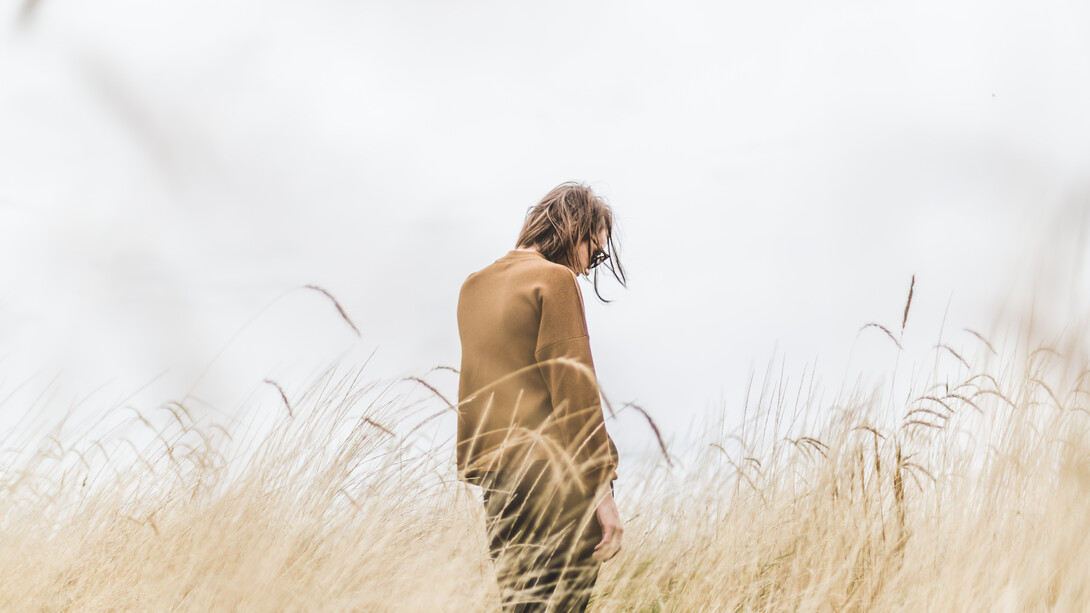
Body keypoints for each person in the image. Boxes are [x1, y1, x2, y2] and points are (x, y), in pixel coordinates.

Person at [456, 182, 626, 612]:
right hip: (558, 482)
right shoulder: (556, 278)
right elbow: (575, 392)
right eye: (596, 251)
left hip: (499, 487)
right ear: (575, 231)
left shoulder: (473, 287)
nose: (590, 267)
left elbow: (478, 391)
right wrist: (602, 494)